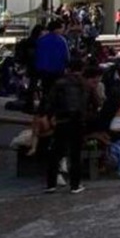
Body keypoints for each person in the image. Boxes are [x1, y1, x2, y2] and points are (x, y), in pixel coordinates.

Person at [44, 58, 89, 194]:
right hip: (77, 120)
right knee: (75, 153)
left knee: (56, 152)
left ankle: (51, 184)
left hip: (62, 120)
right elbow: (87, 103)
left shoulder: (59, 83)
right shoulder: (83, 84)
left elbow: (50, 101)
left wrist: (50, 116)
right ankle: (75, 185)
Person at [34, 19, 70, 98]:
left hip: (43, 70)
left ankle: (45, 104)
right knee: (56, 90)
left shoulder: (41, 40)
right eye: (61, 28)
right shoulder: (62, 40)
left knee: (46, 89)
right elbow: (66, 56)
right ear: (57, 29)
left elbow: (37, 55)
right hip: (58, 69)